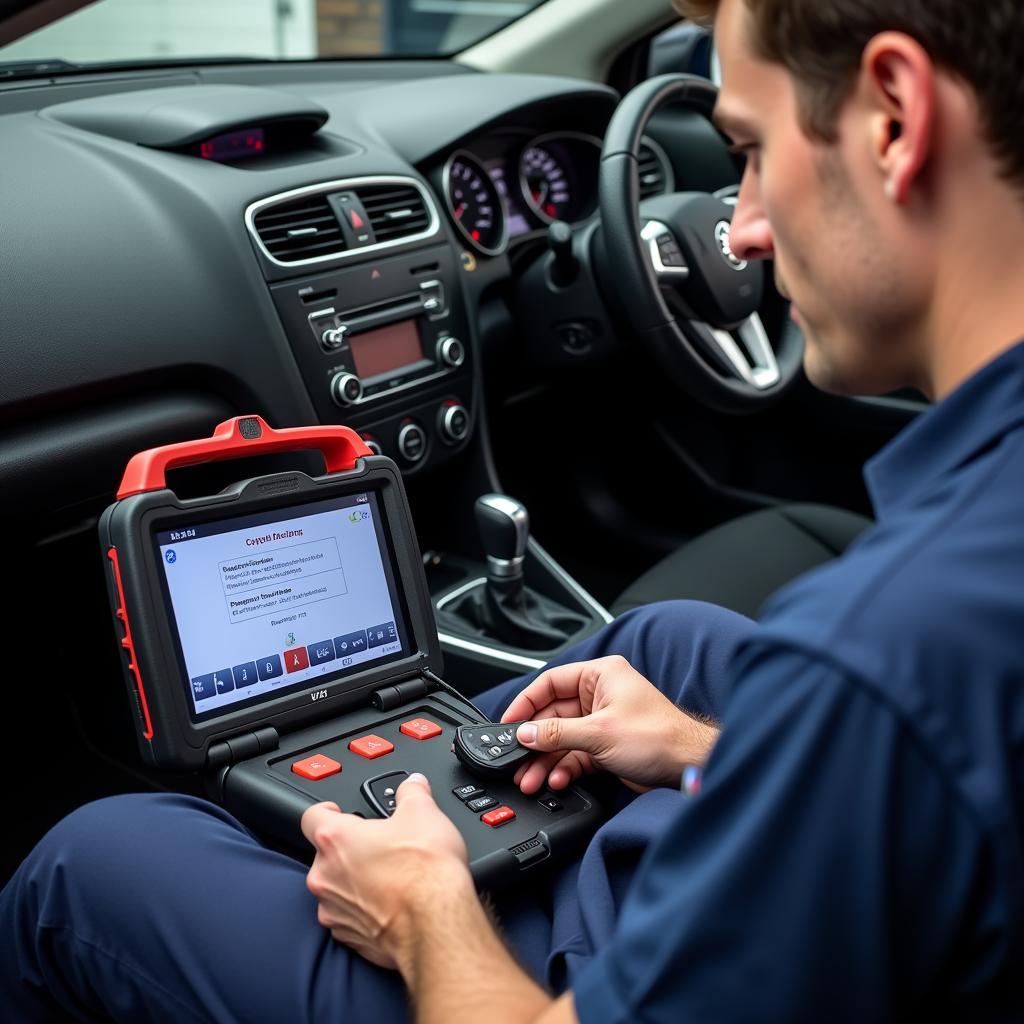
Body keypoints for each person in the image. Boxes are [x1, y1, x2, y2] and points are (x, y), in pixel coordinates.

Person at [4, 0, 1024, 1018]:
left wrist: (424, 903)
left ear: (894, 116)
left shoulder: (878, 662)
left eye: (750, 150)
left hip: (564, 976)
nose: (743, 228)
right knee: (653, 643)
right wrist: (699, 750)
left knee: (92, 860)